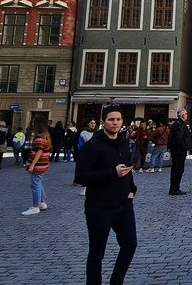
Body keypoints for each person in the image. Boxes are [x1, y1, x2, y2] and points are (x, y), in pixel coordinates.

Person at [74, 105, 137, 285]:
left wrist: (132, 189)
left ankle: (116, 281)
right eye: (111, 119)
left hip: (124, 204)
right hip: (99, 206)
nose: (115, 123)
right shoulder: (92, 145)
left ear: (122, 122)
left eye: (118, 119)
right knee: (97, 252)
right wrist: (111, 172)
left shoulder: (124, 142)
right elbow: (81, 176)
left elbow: (127, 168)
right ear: (103, 122)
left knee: (130, 244)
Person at [22, 118, 51, 216]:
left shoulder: (39, 137)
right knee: (38, 182)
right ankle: (42, 203)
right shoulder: (46, 136)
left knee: (35, 185)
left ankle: (35, 207)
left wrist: (32, 164)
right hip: (43, 164)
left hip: (38, 164)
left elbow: (39, 151)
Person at [168, 109, 191, 195]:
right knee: (178, 169)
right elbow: (178, 137)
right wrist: (182, 147)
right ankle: (175, 188)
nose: (187, 115)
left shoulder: (177, 123)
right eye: (186, 114)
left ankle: (173, 188)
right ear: (182, 115)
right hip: (180, 149)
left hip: (177, 149)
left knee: (175, 168)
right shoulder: (180, 124)